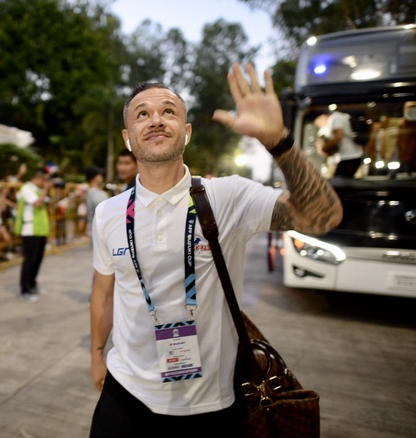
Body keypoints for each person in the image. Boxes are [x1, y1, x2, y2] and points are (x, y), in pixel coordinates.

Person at [89, 63, 343, 436]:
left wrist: (280, 143)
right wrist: (97, 355)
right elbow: (103, 291)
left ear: (186, 132)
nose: (156, 120)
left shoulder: (228, 196)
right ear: (129, 137)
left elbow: (323, 217)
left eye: (168, 111)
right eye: (143, 114)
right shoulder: (108, 213)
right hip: (126, 392)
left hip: (212, 403)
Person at [14, 168, 51, 302]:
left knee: (37, 260)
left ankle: (33, 284)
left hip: (40, 230)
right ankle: (25, 289)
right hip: (30, 230)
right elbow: (37, 203)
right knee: (29, 261)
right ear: (40, 178)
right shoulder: (26, 188)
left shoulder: (37, 190)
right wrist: (46, 189)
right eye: (44, 180)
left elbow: (47, 201)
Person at [314, 109, 364, 178]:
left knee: (340, 182)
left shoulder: (335, 119)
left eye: (318, 123)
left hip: (350, 156)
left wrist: (325, 148)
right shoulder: (339, 117)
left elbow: (339, 136)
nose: (319, 125)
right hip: (348, 156)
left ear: (323, 117)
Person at [84, 166, 109, 242]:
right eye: (100, 175)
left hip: (93, 230)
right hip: (102, 232)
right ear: (95, 177)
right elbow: (106, 212)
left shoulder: (88, 192)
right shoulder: (99, 194)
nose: (102, 177)